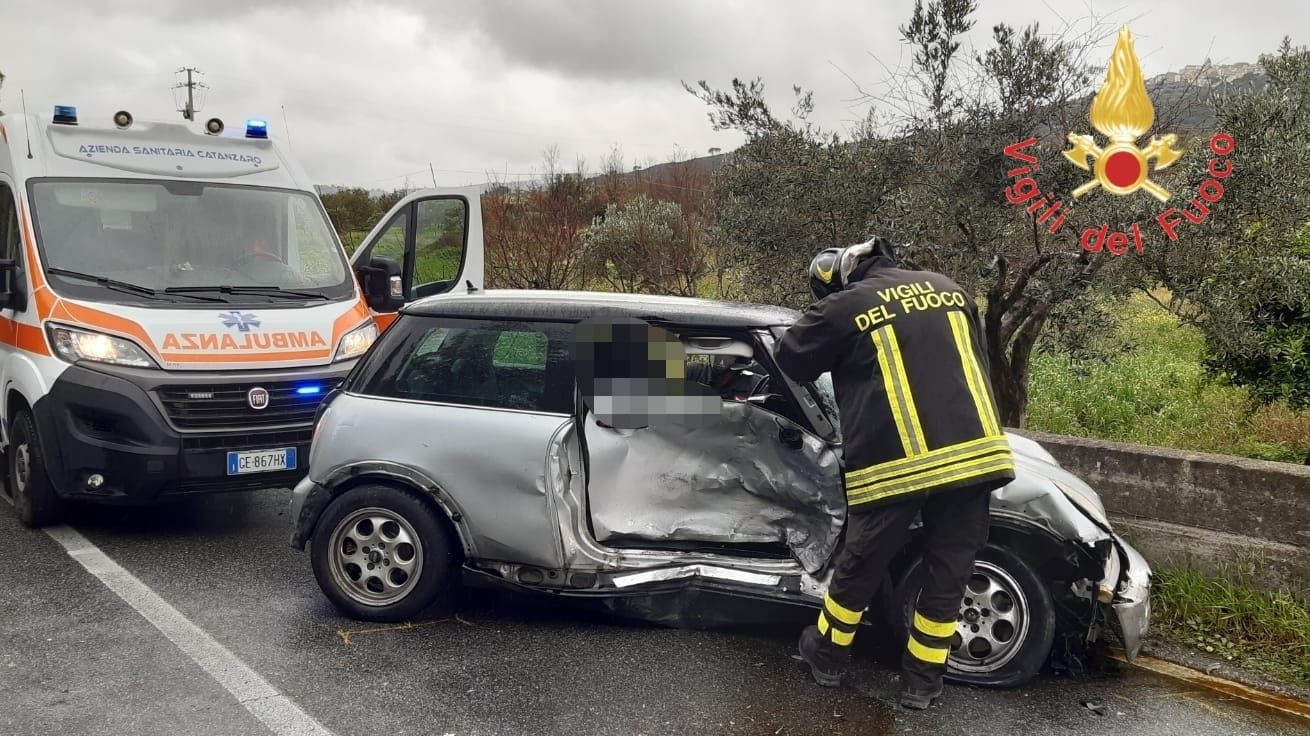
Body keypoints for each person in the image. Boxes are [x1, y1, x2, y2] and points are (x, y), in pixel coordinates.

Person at [774, 236, 1016, 710]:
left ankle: (826, 656)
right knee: (949, 573)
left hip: (897, 465)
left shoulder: (849, 304)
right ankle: (922, 684)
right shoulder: (951, 289)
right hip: (976, 455)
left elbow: (790, 357)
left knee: (860, 567)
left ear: (840, 278)